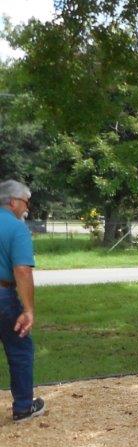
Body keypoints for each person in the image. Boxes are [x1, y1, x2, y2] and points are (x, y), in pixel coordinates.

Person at [1, 180, 44, 422]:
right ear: (13, 201)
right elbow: (22, 270)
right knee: (19, 349)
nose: (26, 208)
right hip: (3, 296)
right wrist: (28, 309)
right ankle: (23, 407)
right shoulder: (16, 228)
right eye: (26, 203)